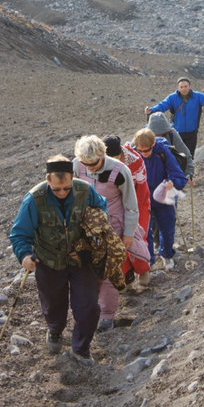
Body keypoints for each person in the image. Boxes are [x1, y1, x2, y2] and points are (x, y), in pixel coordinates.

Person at [9, 155, 108, 367]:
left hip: (81, 260)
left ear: (72, 178)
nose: (62, 193)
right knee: (54, 306)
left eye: (66, 188)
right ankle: (55, 330)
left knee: (89, 306)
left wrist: (88, 246)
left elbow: (102, 214)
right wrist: (25, 255)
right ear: (48, 179)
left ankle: (81, 349)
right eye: (57, 189)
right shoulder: (34, 199)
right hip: (49, 262)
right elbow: (19, 233)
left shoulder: (85, 191)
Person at [73, 135, 150, 332]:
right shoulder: (76, 166)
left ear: (102, 155)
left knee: (107, 270)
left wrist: (128, 234)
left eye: (94, 163)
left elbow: (131, 206)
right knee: (86, 270)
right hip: (86, 229)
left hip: (113, 227)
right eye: (85, 164)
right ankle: (90, 310)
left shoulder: (119, 170)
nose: (89, 168)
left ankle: (107, 315)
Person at [132, 128, 187, 270]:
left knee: (167, 229)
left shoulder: (163, 152)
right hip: (144, 200)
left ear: (153, 144)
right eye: (140, 151)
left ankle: (167, 254)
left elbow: (178, 175)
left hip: (163, 198)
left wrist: (172, 182)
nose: (144, 153)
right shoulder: (133, 155)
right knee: (145, 232)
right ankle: (148, 261)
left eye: (147, 150)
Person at [103, 134, 151, 286]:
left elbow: (141, 189)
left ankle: (143, 269)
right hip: (114, 203)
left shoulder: (135, 161)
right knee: (116, 237)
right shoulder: (100, 163)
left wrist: (132, 210)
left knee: (136, 235)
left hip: (137, 201)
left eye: (116, 158)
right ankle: (126, 274)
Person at [144, 77, 204, 155]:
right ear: (178, 88)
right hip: (176, 134)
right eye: (181, 87)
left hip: (191, 133)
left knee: (190, 155)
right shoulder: (172, 98)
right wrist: (151, 110)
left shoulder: (198, 96)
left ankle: (189, 173)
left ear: (189, 86)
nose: (184, 89)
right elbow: (162, 106)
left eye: (185, 86)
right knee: (176, 157)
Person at [146, 111, 195, 181]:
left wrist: (189, 173)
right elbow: (131, 150)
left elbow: (186, 155)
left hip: (170, 174)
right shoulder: (144, 135)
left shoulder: (172, 134)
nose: (160, 138)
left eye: (163, 134)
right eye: (156, 135)